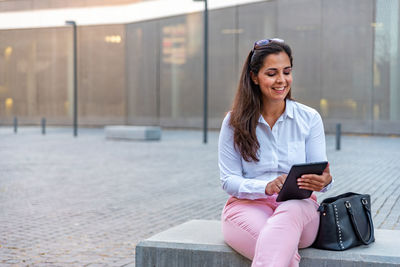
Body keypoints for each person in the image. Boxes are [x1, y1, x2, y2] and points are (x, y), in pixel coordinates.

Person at [218, 38, 333, 267]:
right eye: (271, 73)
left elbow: (321, 174)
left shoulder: (309, 118)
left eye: (287, 71)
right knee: (279, 250)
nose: (281, 80)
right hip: (247, 206)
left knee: (287, 217)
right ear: (254, 77)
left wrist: (324, 181)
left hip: (299, 208)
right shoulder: (233, 122)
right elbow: (228, 179)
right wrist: (265, 187)